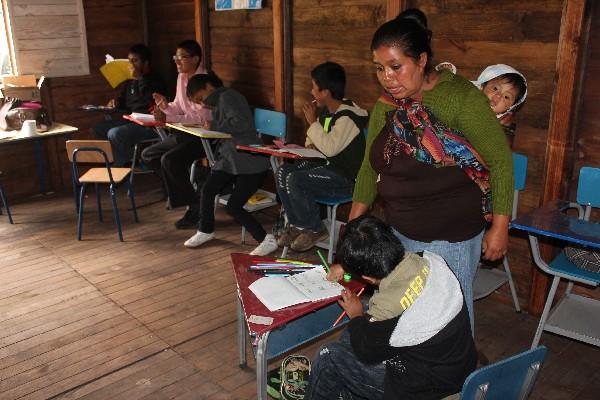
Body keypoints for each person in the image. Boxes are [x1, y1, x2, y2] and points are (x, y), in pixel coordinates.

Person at [346, 10, 514, 330]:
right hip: (400, 231)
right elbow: (369, 168)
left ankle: (455, 378)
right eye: (379, 69)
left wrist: (501, 226)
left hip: (449, 237)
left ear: (422, 60)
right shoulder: (388, 102)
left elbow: (500, 161)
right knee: (408, 313)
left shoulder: (460, 98)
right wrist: (353, 226)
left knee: (448, 319)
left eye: (396, 67)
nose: (387, 78)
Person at [305, 216, 477, 400]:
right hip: (454, 368)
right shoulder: (429, 261)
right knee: (350, 338)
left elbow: (366, 350)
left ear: (368, 278)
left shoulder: (387, 309)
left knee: (329, 356)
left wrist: (356, 315)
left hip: (427, 391)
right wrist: (346, 267)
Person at [275, 62, 368, 252]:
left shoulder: (348, 117)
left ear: (325, 92)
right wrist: (311, 139)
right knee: (283, 170)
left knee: (295, 179)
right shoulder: (328, 112)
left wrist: (311, 122)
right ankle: (298, 224)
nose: (311, 92)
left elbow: (330, 148)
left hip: (345, 178)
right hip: (325, 171)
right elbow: (317, 139)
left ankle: (315, 228)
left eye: (314, 87)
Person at [182, 72, 278, 256]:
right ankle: (205, 230)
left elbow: (242, 124)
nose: (203, 104)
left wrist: (214, 126)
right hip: (231, 159)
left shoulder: (228, 97)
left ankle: (267, 239)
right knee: (207, 189)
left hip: (250, 161)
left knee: (234, 205)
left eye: (202, 98)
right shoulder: (221, 100)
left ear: (209, 86)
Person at [140, 40, 212, 228]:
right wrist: (165, 107)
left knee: (170, 160)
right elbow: (179, 107)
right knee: (149, 155)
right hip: (185, 131)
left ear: (196, 59)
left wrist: (170, 119)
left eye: (182, 58)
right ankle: (184, 193)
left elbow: (201, 115)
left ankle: (194, 207)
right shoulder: (182, 78)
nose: (177, 62)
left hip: (204, 136)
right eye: (175, 58)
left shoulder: (204, 81)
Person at [94, 44, 166, 165]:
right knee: (99, 128)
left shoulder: (155, 79)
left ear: (146, 63)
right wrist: (115, 103)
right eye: (129, 61)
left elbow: (152, 101)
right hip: (131, 121)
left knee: (114, 134)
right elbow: (123, 102)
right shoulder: (130, 80)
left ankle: (124, 166)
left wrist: (140, 79)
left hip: (149, 125)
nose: (131, 65)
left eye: (135, 61)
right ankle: (127, 160)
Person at [474, 64, 527, 147]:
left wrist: (503, 128)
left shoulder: (503, 123)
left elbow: (504, 149)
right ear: (482, 86)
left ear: (511, 107)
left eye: (506, 97)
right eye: (495, 88)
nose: (498, 96)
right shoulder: (467, 101)